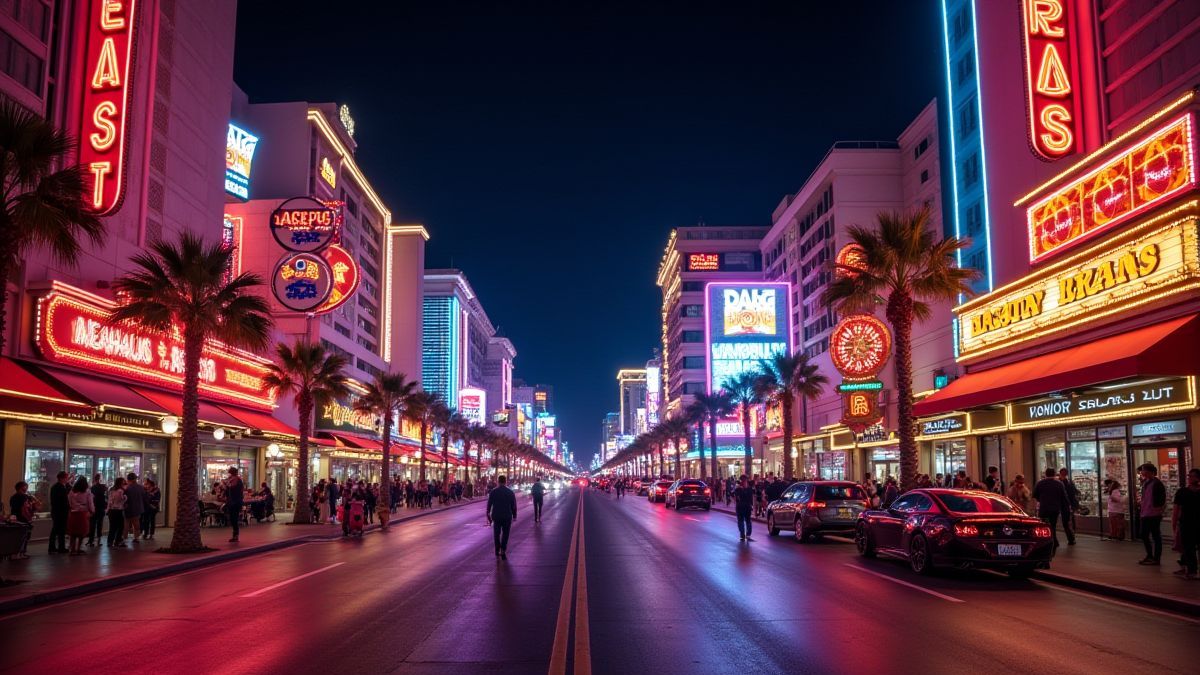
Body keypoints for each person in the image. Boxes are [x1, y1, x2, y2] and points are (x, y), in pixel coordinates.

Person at [1033, 468, 1072, 548]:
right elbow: (1064, 497)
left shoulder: (1040, 483)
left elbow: (1035, 494)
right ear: (1054, 474)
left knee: (1044, 525)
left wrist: (1041, 500)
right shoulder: (1059, 484)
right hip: (1055, 508)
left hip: (1044, 508)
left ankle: (1047, 541)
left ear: (1045, 474)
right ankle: (1054, 541)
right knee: (1053, 525)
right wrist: (1067, 506)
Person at [1137, 463, 1166, 565]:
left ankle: (1156, 558)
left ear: (1150, 471)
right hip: (1145, 513)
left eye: (1143, 470)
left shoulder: (1157, 483)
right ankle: (1150, 555)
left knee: (1155, 536)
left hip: (1153, 514)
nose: (1142, 472)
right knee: (1144, 535)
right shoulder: (1146, 483)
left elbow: (1161, 499)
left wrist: (1158, 509)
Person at [1173, 468, 1200, 580]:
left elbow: (1176, 510)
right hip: (1186, 523)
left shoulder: (1182, 492)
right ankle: (1191, 570)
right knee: (1189, 548)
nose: (1189, 478)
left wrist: (1175, 523)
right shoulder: (1182, 492)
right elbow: (1176, 510)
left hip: (1189, 523)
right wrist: (1175, 523)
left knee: (1189, 548)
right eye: (1189, 476)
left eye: (1192, 476)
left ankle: (1192, 571)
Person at [486, 475, 518, 560]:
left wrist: (488, 514)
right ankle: (503, 549)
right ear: (506, 481)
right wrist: (514, 515)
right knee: (505, 533)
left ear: (498, 481)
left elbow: (489, 504)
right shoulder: (510, 492)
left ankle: (497, 549)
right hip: (507, 516)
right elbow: (513, 505)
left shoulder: (493, 492)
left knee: (496, 533)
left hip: (496, 516)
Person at [9, 481, 38, 559]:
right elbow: (27, 508)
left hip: (15, 518)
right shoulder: (24, 497)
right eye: (25, 486)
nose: (27, 488)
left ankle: (14, 553)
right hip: (24, 519)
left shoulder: (13, 497)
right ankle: (21, 552)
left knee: (16, 536)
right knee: (24, 536)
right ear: (22, 487)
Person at [67, 476, 93, 555]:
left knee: (73, 533)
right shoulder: (87, 492)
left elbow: (69, 502)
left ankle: (72, 549)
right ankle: (79, 548)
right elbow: (90, 503)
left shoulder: (72, 491)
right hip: (83, 513)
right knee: (82, 532)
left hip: (73, 513)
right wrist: (92, 511)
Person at [48, 470, 70, 554]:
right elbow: (63, 501)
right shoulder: (61, 488)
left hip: (56, 511)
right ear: (62, 478)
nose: (67, 479)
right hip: (61, 512)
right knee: (60, 530)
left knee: (56, 529)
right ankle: (60, 547)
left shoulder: (55, 487)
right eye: (66, 478)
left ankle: (53, 547)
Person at [123, 472, 145, 543]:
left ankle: (124, 538)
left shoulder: (126, 488)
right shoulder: (141, 487)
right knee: (136, 524)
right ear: (135, 479)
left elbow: (124, 499)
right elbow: (144, 497)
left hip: (128, 508)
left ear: (128, 479)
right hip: (137, 509)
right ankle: (136, 538)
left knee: (126, 523)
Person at [225, 467, 245, 542]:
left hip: (235, 502)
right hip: (233, 502)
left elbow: (232, 487)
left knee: (234, 518)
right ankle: (235, 535)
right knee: (233, 518)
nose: (229, 475)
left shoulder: (236, 479)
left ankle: (235, 535)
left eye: (230, 473)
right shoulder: (234, 479)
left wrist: (227, 484)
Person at [106, 478, 127, 547]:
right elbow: (121, 500)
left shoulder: (111, 490)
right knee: (120, 526)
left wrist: (108, 509)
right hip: (118, 510)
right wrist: (125, 497)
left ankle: (110, 541)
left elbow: (109, 501)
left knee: (112, 527)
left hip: (111, 510)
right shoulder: (120, 491)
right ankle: (117, 541)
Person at [733, 475, 755, 541]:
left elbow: (735, 496)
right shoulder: (748, 489)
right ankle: (746, 535)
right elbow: (752, 497)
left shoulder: (739, 489)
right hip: (744, 506)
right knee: (745, 521)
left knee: (743, 521)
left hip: (742, 506)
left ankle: (744, 535)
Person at [88, 474, 107, 547]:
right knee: (99, 524)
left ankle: (91, 540)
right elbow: (105, 497)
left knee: (92, 525)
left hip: (94, 508)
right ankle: (98, 540)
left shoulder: (92, 488)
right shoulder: (103, 487)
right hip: (101, 508)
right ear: (100, 479)